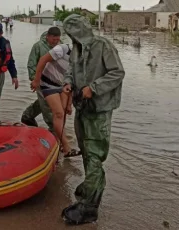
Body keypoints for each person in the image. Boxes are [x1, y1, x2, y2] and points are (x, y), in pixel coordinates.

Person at [60, 14, 125, 225]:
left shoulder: (103, 46)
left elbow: (118, 73)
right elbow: (71, 69)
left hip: (99, 108)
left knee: (95, 153)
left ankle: (90, 208)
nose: (72, 37)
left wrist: (93, 88)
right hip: (82, 107)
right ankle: (90, 185)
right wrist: (68, 83)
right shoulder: (77, 48)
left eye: (73, 33)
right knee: (86, 149)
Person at [30, 41, 79, 157]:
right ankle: (67, 148)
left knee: (64, 113)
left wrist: (69, 103)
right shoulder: (62, 49)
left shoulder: (82, 59)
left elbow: (74, 80)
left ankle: (58, 143)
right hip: (48, 83)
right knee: (58, 114)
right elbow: (42, 60)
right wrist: (36, 80)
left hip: (63, 85)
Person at [21, 27, 62, 132]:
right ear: (48, 37)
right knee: (48, 106)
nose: (56, 42)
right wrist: (35, 79)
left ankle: (27, 116)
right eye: (54, 39)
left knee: (47, 102)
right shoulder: (38, 46)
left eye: (58, 39)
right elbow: (31, 63)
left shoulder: (61, 47)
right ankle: (53, 129)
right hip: (42, 80)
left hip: (57, 81)